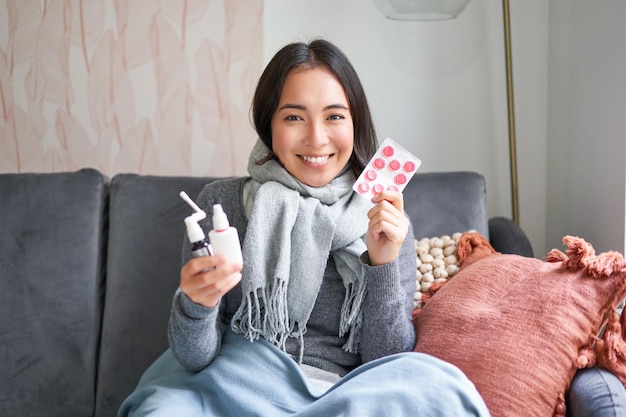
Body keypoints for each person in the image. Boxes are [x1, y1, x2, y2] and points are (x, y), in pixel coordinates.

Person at [117, 39, 490, 416]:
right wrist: (196, 303)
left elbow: (387, 359)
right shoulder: (223, 204)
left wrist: (383, 264)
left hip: (340, 394)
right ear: (269, 126)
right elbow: (195, 359)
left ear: (355, 123)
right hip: (233, 384)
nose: (316, 138)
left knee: (442, 392)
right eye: (294, 117)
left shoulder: (386, 219)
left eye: (334, 116)